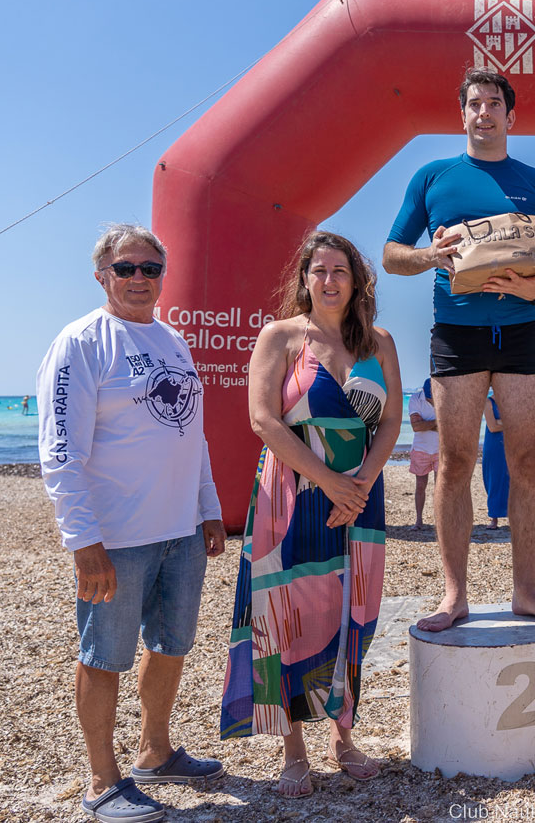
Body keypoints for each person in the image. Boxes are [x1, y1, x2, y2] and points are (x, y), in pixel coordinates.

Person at [38, 223, 226, 823]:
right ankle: (102, 780)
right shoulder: (82, 342)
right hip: (116, 539)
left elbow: (190, 437)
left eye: (150, 268)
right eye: (126, 269)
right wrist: (82, 540)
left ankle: (156, 751)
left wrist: (210, 507)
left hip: (180, 533)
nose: (140, 279)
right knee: (105, 655)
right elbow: (60, 451)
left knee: (171, 646)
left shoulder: (173, 340)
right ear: (102, 276)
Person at [383, 67, 535, 630]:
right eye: (475, 104)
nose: (484, 112)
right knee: (457, 461)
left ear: (511, 116)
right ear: (462, 114)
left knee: (526, 460)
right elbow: (393, 255)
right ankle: (454, 595)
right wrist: (430, 255)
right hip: (458, 331)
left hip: (522, 330)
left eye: (495, 103)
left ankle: (526, 591)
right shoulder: (434, 176)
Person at [221, 231, 401, 797]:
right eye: (318, 271)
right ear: (304, 280)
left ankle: (343, 736)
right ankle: (292, 744)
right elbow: (263, 421)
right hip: (292, 492)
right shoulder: (280, 337)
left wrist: (363, 480)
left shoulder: (379, 341)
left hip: (361, 494)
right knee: (288, 609)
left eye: (340, 271)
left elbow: (391, 420)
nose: (329, 280)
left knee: (355, 608)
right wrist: (329, 482)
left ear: (357, 280)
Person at [406, 378, 438, 529]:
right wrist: (438, 423)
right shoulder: (416, 399)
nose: (432, 400)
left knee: (441, 487)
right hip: (421, 449)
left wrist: (426, 424)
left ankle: (441, 521)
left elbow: (450, 424)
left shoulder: (444, 396)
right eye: (430, 397)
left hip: (441, 449)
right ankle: (419, 520)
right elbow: (416, 426)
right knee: (420, 486)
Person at [482, 392, 509, 527]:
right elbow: (492, 427)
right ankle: (494, 518)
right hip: (494, 445)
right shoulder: (488, 402)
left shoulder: (510, 400)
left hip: (511, 444)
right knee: (493, 479)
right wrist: (511, 423)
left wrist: (500, 422)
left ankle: (513, 516)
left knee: (512, 480)